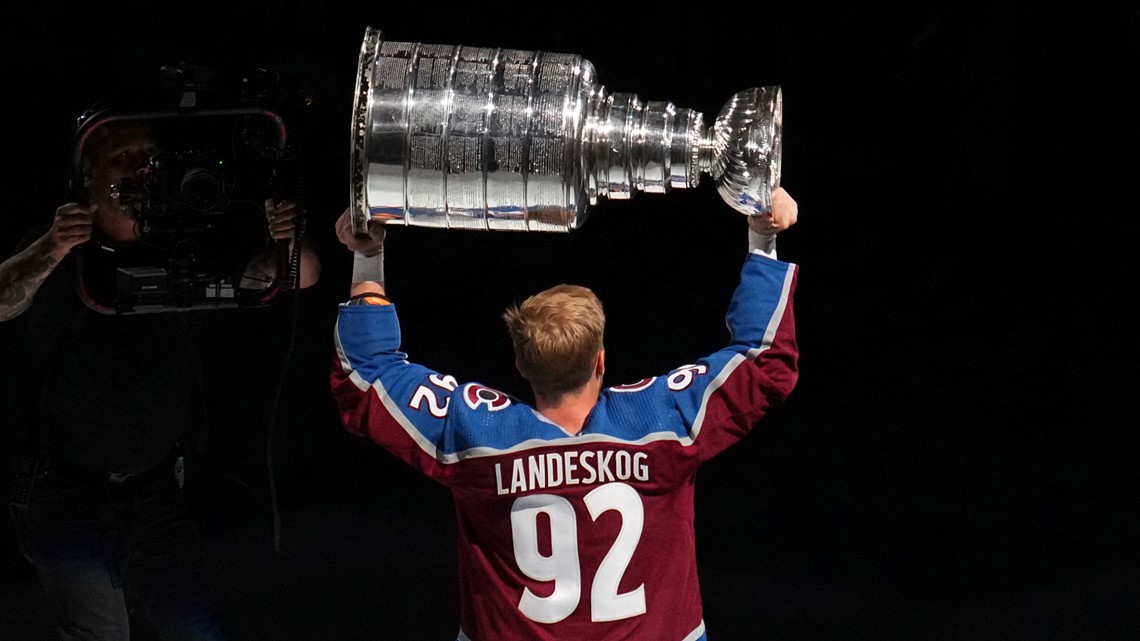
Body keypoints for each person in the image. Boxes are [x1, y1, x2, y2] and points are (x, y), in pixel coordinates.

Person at [329, 186, 799, 641]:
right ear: (600, 359)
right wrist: (763, 236)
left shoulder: (474, 434)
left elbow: (367, 373)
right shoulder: (663, 422)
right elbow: (765, 358)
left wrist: (368, 255)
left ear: (518, 363)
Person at [1, 115, 319, 640]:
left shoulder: (178, 247)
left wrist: (286, 237)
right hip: (65, 492)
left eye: (147, 155)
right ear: (88, 175)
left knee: (197, 629)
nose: (139, 167)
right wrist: (52, 247)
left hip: (153, 490)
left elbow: (296, 274)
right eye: (122, 157)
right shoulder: (58, 251)